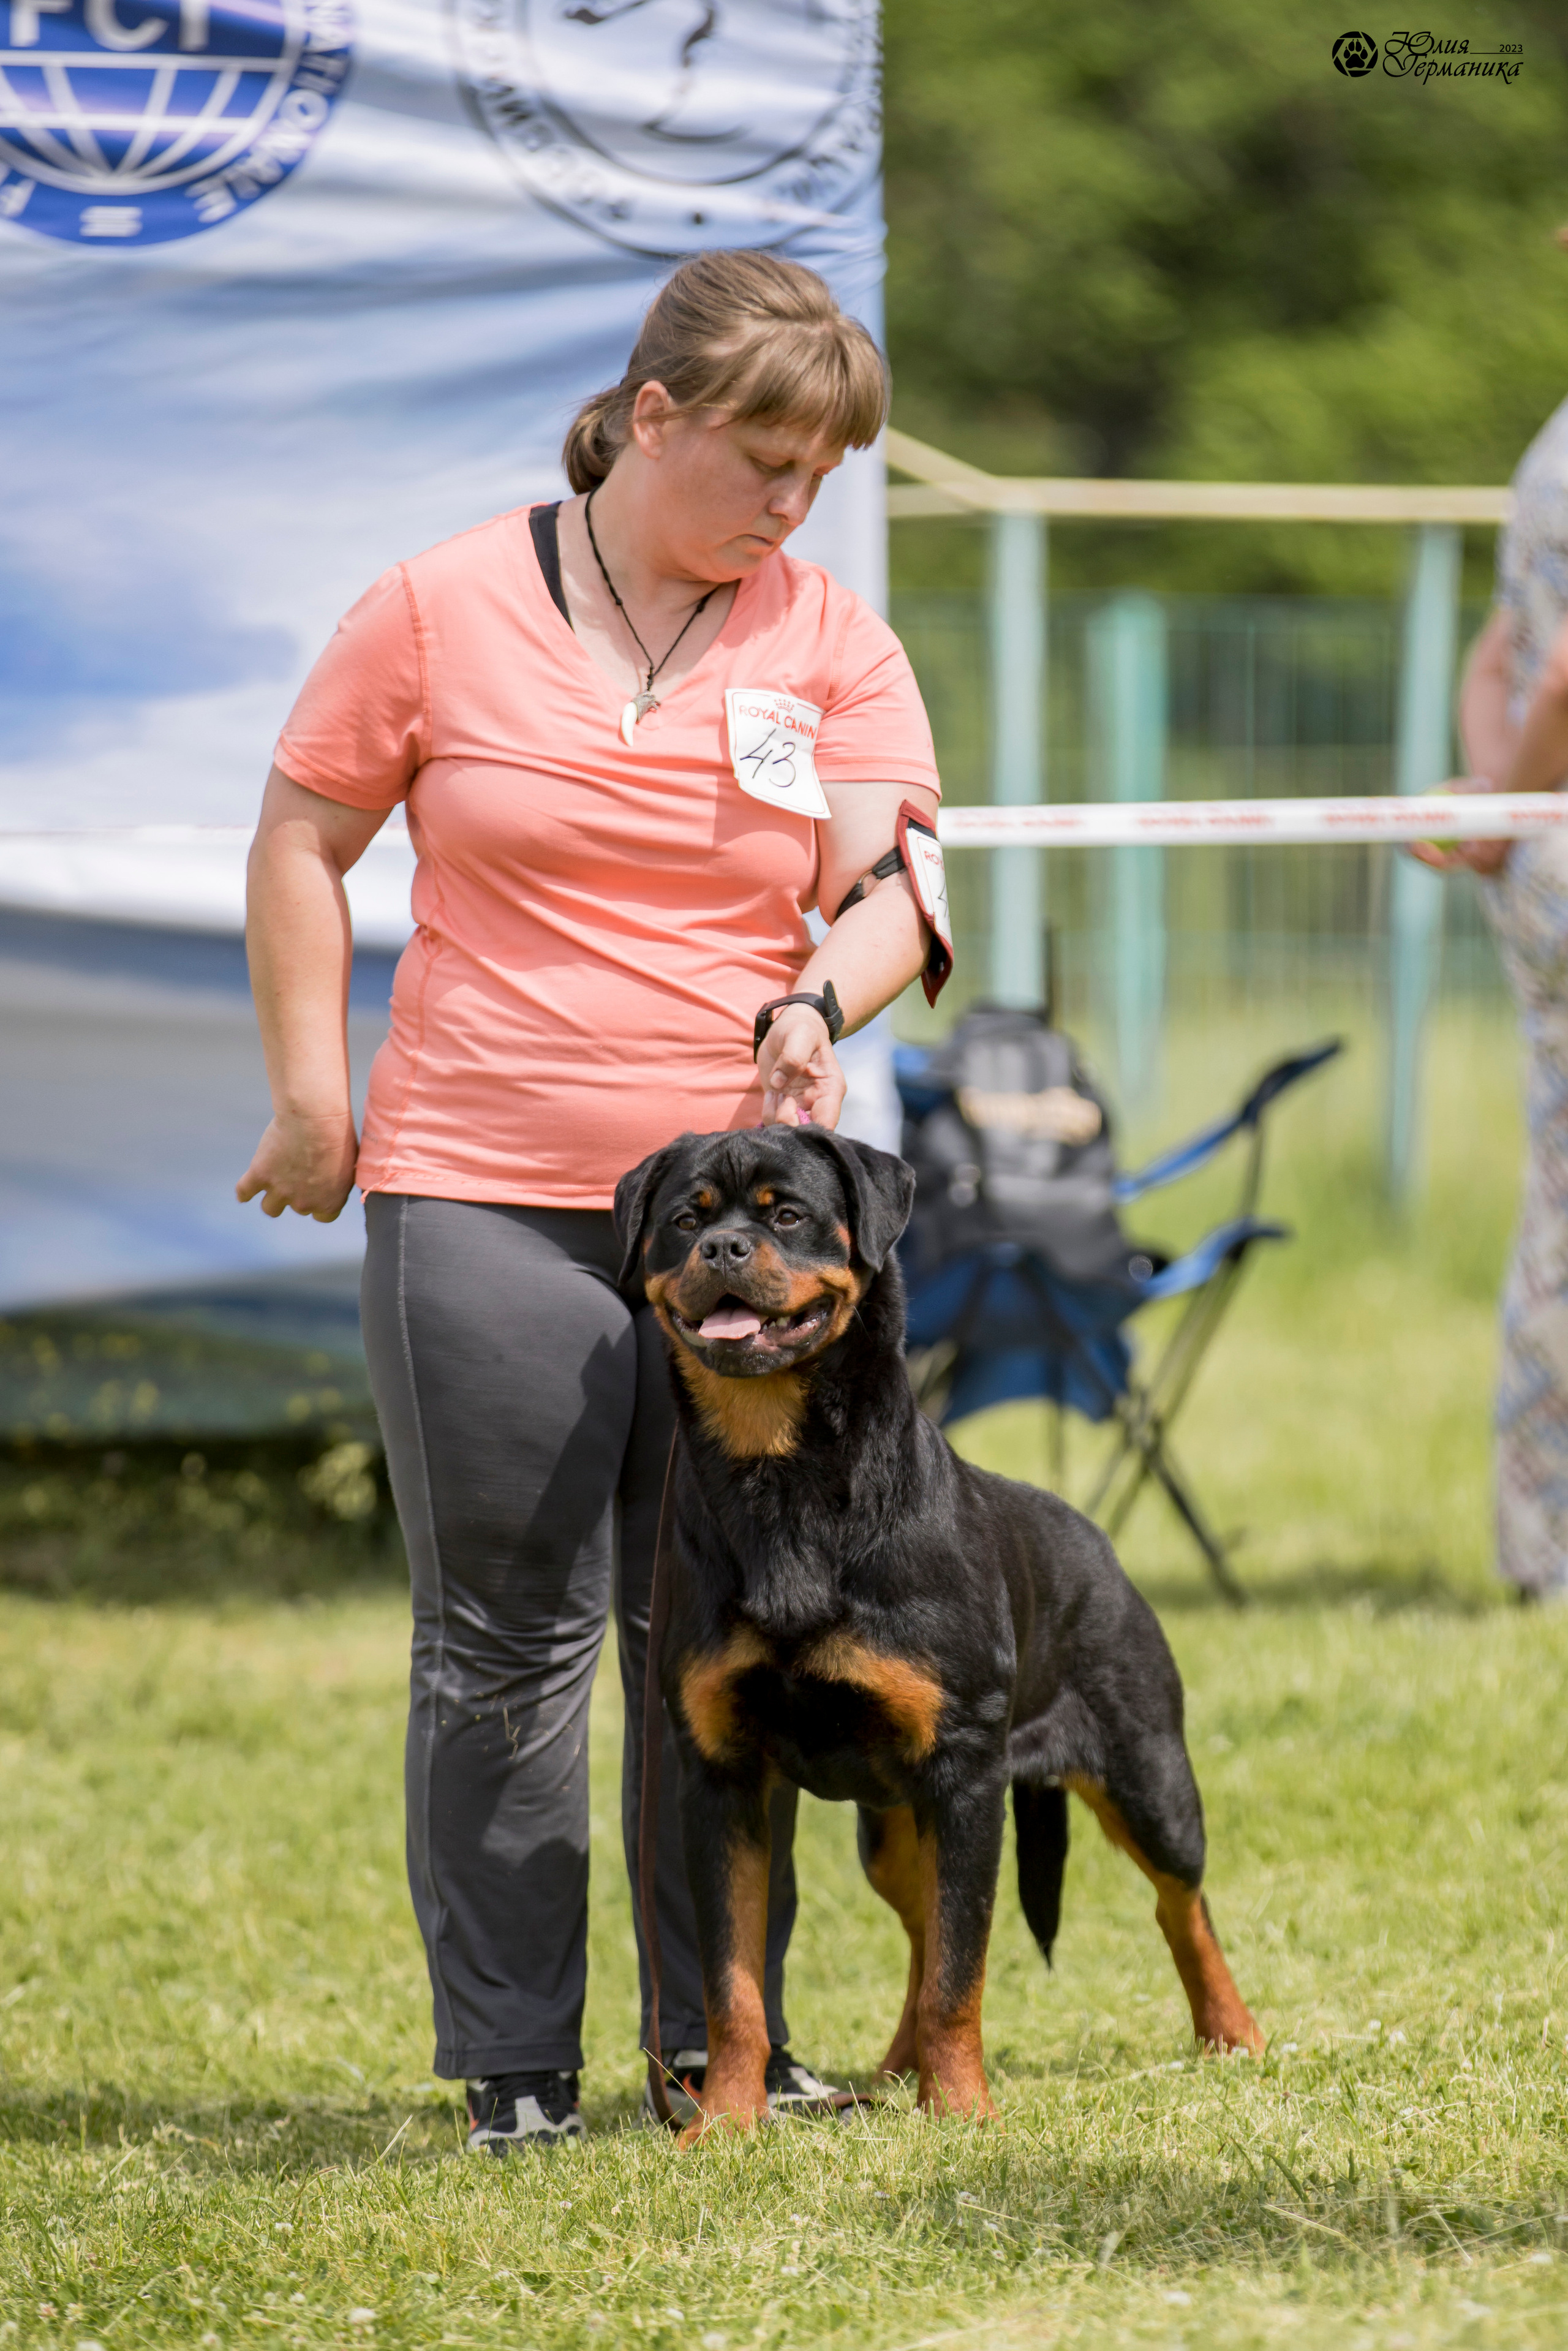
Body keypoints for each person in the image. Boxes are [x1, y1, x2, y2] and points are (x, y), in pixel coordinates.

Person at [236, 252, 944, 2145]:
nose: (792, 508)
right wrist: (316, 1096)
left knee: (716, 1641)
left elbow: (899, 885)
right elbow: (303, 837)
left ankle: (717, 2049)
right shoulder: (439, 603)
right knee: (508, 1634)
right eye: (766, 462)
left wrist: (815, 996)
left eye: (822, 476)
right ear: (654, 417)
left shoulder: (831, 639)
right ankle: (514, 2069)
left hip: (743, 1237)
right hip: (482, 1187)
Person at [1412, 387, 1568, 1600]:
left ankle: (1542, 1540)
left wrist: (1491, 806)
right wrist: (1500, 809)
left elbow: (1513, 657)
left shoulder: (1547, 439)